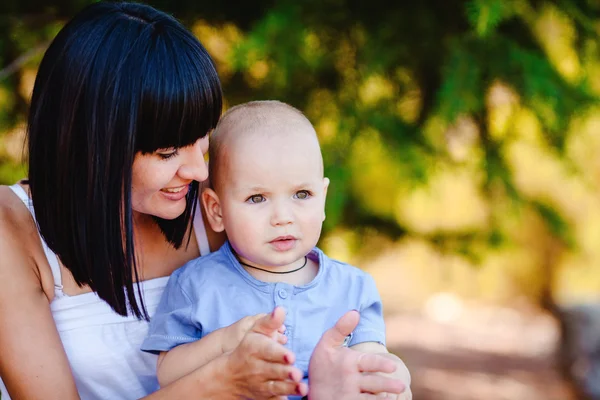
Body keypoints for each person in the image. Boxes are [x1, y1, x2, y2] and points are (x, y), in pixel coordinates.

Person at [0, 2, 409, 399]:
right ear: (93, 142)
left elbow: (311, 310)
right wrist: (222, 382)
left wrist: (378, 378)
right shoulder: (12, 229)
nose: (198, 171)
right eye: (167, 153)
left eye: (202, 140)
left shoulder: (219, 209)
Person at [141, 101, 412, 399]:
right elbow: (166, 374)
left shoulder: (353, 288)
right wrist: (223, 343)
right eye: (258, 198)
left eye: (301, 194)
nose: (283, 216)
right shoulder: (195, 284)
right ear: (216, 211)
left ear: (322, 199)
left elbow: (370, 360)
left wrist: (390, 375)